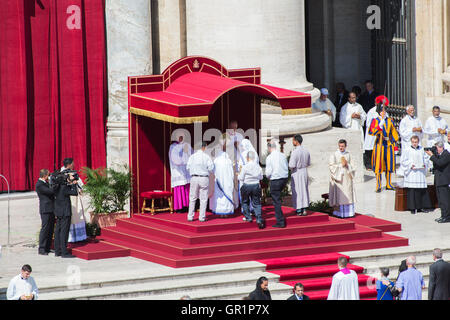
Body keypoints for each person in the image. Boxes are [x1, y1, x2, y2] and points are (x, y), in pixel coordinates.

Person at [368, 96, 400, 192]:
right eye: (382, 111)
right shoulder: (375, 120)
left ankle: (388, 184)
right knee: (378, 165)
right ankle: (378, 185)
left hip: (388, 145)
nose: (383, 112)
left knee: (389, 165)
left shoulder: (390, 120)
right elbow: (371, 132)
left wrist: (393, 142)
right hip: (379, 145)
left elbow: (395, 133)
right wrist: (379, 127)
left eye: (384, 110)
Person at [400, 136, 432, 214]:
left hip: (420, 173)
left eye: (416, 142)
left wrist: (425, 164)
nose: (415, 143)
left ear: (418, 142)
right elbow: (403, 161)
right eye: (413, 142)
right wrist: (410, 165)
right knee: (412, 190)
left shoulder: (421, 149)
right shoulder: (407, 150)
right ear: (411, 142)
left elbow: (426, 159)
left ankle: (421, 207)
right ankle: (412, 208)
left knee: (420, 190)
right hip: (412, 173)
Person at [186, 142, 214, 222]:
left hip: (194, 177)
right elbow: (211, 168)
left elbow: (187, 167)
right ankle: (202, 217)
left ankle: (190, 216)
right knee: (203, 198)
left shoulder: (192, 157)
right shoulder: (206, 157)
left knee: (192, 198)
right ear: (204, 147)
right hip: (204, 178)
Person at [53, 170, 79, 258]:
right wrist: (74, 184)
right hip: (65, 212)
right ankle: (64, 251)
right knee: (64, 231)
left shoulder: (57, 186)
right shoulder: (64, 187)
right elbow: (75, 193)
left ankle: (57, 250)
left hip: (59, 211)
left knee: (58, 231)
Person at [329, 140, 357, 219]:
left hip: (347, 178)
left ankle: (349, 213)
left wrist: (347, 165)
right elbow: (331, 166)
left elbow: (353, 166)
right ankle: (340, 213)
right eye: (340, 146)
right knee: (341, 196)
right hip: (339, 179)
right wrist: (341, 165)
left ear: (345, 146)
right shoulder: (334, 155)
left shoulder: (348, 155)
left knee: (348, 194)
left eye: (342, 146)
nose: (341, 148)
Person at [61, 158, 87, 244]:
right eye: (72, 163)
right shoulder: (62, 174)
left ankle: (79, 236)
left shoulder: (73, 172)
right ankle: (71, 237)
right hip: (69, 198)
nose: (74, 165)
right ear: (69, 165)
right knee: (72, 215)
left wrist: (78, 185)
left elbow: (80, 184)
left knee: (77, 215)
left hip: (75, 196)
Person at [265, 141, 289, 228]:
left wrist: (269, 178)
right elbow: (286, 166)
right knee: (277, 198)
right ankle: (280, 219)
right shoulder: (282, 155)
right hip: (284, 178)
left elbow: (268, 172)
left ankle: (280, 221)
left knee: (276, 201)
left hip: (275, 179)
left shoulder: (269, 157)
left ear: (269, 148)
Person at [210, 138, 236, 217]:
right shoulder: (228, 161)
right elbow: (232, 173)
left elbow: (213, 171)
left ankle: (220, 212)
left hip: (218, 182)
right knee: (227, 195)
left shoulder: (216, 161)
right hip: (227, 182)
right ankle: (227, 212)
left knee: (219, 197)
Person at [426, 141, 450, 223]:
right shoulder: (440, 155)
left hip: (444, 181)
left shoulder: (446, 154)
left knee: (445, 200)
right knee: (440, 200)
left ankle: (447, 216)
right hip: (439, 180)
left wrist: (432, 156)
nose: (436, 150)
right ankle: (443, 215)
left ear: (441, 147)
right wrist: (434, 156)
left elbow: (440, 163)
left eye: (437, 149)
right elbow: (436, 165)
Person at [238, 151, 264, 229]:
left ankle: (248, 217)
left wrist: (238, 175)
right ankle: (259, 219)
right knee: (256, 203)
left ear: (247, 158)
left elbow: (241, 178)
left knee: (245, 201)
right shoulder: (258, 167)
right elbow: (261, 177)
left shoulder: (245, 167)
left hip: (246, 185)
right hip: (256, 185)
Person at [169, 133, 192, 213]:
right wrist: (184, 160)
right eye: (179, 137)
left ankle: (188, 206)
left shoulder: (186, 145)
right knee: (180, 188)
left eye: (182, 137)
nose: (181, 138)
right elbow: (175, 159)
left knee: (187, 188)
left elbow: (190, 155)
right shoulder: (173, 147)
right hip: (178, 171)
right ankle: (179, 207)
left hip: (186, 170)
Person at [289, 134, 310, 217]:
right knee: (304, 190)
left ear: (296, 141)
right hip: (304, 171)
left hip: (297, 172)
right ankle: (304, 208)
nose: (292, 142)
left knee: (297, 191)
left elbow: (291, 165)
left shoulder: (295, 152)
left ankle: (299, 210)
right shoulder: (306, 150)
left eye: (293, 140)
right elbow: (308, 163)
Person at [35, 169, 55, 256]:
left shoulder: (45, 183)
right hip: (45, 209)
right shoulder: (39, 184)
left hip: (51, 208)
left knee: (50, 229)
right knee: (45, 228)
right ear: (45, 175)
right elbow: (50, 191)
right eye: (48, 175)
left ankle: (48, 247)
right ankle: (42, 248)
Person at [363, 104, 389, 170]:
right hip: (373, 133)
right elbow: (368, 123)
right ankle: (368, 165)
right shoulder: (371, 111)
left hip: (381, 134)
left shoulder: (385, 113)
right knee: (370, 148)